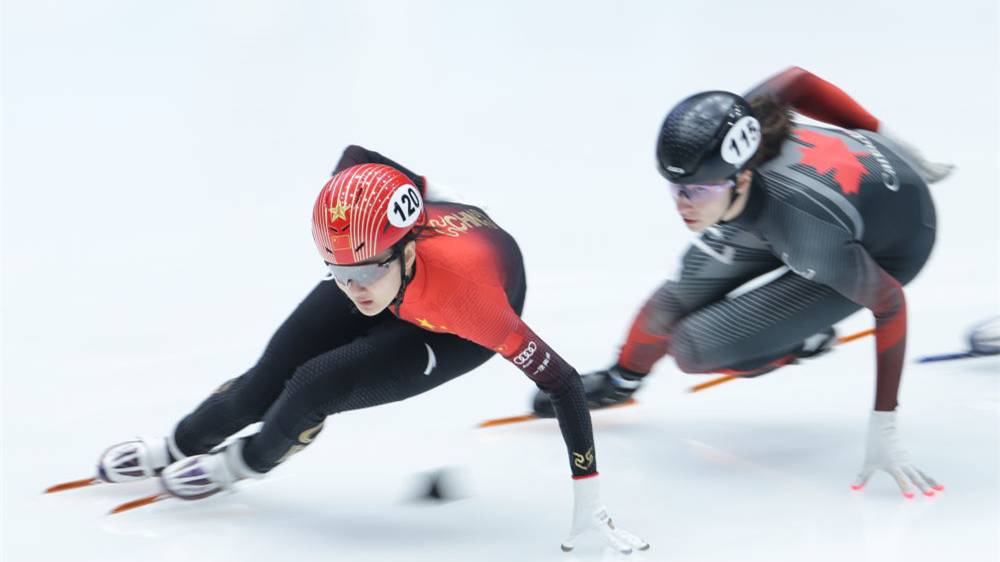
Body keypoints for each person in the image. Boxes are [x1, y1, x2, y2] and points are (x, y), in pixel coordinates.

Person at [95, 147, 647, 553]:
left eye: (364, 272)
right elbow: (361, 163)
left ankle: (244, 463)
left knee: (315, 383)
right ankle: (175, 444)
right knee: (265, 379)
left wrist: (587, 503)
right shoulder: (362, 248)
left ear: (406, 246)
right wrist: (361, 259)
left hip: (446, 328)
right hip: (403, 269)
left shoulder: (471, 301)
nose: (355, 287)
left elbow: (565, 382)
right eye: (338, 273)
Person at [533, 67, 950, 498]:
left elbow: (890, 302)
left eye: (697, 191)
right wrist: (885, 135)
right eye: (675, 188)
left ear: (742, 177)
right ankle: (623, 382)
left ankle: (800, 340)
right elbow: (798, 80)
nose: (683, 205)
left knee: (694, 347)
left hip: (885, 244)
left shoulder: (806, 235)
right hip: (815, 204)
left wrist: (885, 419)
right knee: (673, 300)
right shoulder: (731, 126)